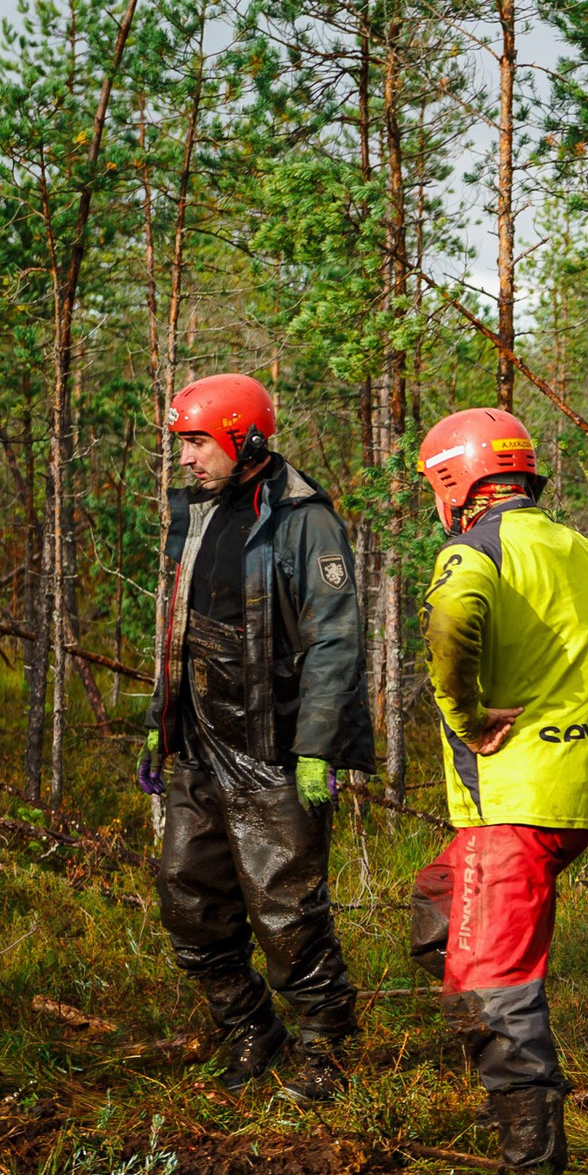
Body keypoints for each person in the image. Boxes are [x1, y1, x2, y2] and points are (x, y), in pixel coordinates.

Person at [409, 408, 588, 1175]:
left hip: (514, 804)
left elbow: (451, 620)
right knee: (435, 912)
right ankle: (495, 1054)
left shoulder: (472, 550)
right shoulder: (577, 549)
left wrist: (468, 715)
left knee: (490, 988)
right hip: (571, 800)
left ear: (455, 482)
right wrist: (579, 683)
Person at [143, 373, 372, 1101]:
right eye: (181, 443)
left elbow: (335, 639)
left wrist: (317, 747)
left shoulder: (305, 519)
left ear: (244, 438)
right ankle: (250, 1028)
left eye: (197, 442)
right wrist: (160, 724)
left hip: (276, 745)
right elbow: (178, 627)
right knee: (186, 897)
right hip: (201, 743)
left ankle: (326, 1052)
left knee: (286, 911)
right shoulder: (199, 512)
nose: (185, 458)